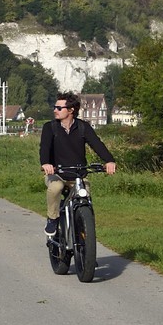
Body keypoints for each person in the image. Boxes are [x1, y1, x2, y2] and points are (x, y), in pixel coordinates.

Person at [39, 92, 116, 236]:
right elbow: (44, 148)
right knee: (56, 187)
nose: (55, 110)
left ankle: (86, 230)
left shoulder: (83, 127)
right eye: (55, 107)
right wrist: (46, 164)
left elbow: (97, 145)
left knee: (85, 193)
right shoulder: (50, 127)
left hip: (78, 175)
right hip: (56, 174)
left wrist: (109, 160)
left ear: (71, 110)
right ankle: (52, 219)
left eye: (59, 108)